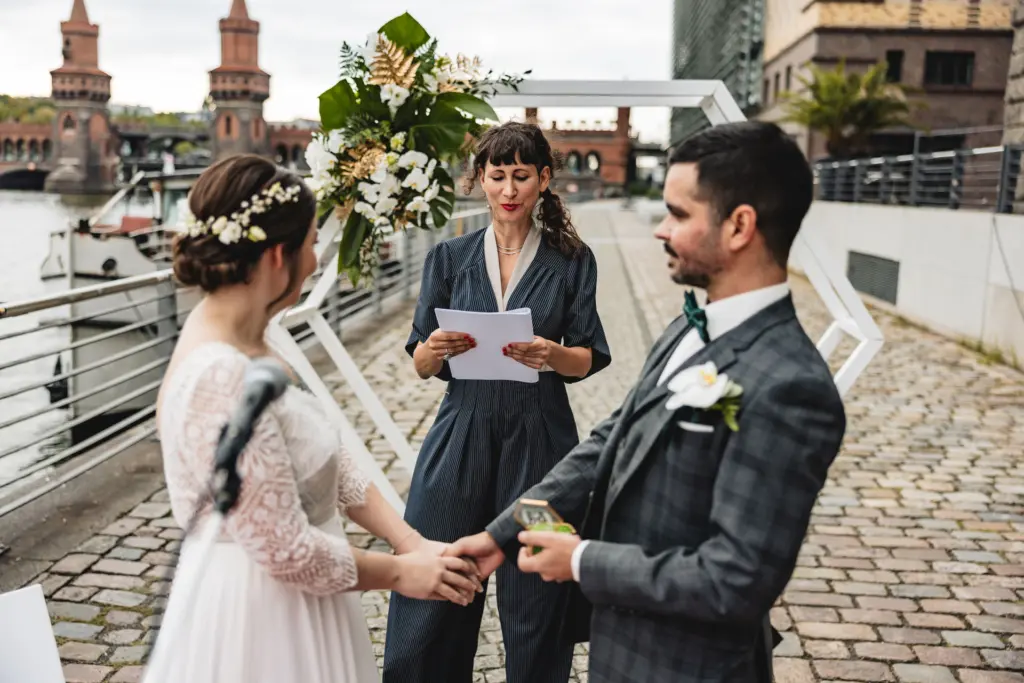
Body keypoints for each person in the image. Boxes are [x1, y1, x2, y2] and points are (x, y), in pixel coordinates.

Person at [449, 121, 848, 683]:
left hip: (689, 665)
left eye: (679, 215)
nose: (661, 230)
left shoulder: (792, 386)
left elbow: (735, 580)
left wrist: (581, 561)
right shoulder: (684, 329)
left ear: (739, 227)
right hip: (622, 653)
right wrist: (501, 534)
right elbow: (610, 441)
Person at [153, 154, 480, 683]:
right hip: (261, 615)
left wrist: (409, 539)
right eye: (310, 245)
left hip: (305, 603)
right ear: (279, 256)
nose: (315, 261)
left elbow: (322, 451)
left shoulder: (249, 334)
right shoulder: (220, 373)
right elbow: (286, 549)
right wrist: (402, 573)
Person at [382, 122, 611, 683]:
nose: (509, 190)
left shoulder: (572, 260)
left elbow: (586, 357)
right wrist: (434, 350)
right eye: (497, 175)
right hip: (460, 436)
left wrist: (551, 353)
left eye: (522, 176)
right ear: (480, 180)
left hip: (543, 446)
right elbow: (419, 362)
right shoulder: (449, 257)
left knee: (539, 596)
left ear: (544, 179)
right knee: (438, 579)